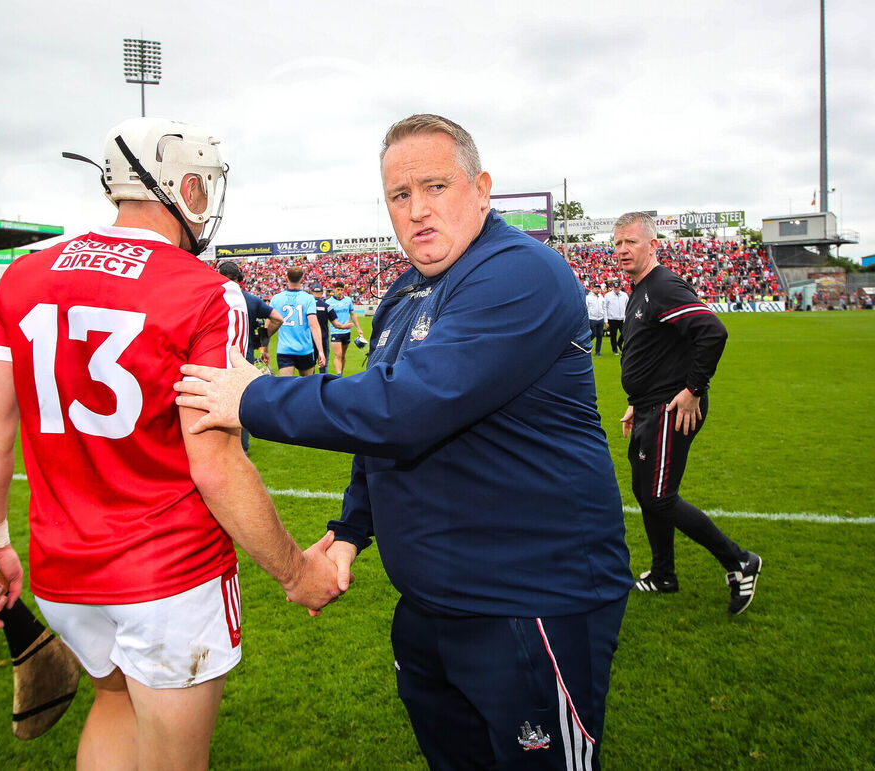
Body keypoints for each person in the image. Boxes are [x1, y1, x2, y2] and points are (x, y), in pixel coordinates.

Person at [176, 114, 632, 770]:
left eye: (436, 186)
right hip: (432, 604)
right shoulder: (405, 292)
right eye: (399, 194)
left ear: (482, 189)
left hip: (532, 603)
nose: (417, 210)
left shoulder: (519, 273)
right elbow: (381, 436)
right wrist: (352, 528)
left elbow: (406, 408)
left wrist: (251, 395)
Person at [0, 118, 339, 769]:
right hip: (169, 576)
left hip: (64, 569)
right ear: (184, 186)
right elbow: (215, 462)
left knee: (113, 705)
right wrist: (298, 571)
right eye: (205, 186)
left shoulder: (23, 277)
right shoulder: (206, 290)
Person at [612, 211, 762, 615]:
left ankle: (739, 561)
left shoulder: (662, 286)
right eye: (618, 243)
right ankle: (663, 575)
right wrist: (635, 401)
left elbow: (712, 331)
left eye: (631, 242)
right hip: (649, 406)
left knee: (660, 497)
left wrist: (695, 390)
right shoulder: (639, 289)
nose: (623, 250)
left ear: (652, 245)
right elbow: (658, 350)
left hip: (671, 408)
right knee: (646, 493)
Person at [216, 260, 283, 453]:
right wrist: (262, 339)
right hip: (244, 358)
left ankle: (221, 445)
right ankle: (242, 447)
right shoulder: (250, 300)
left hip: (217, 357)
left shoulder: (212, 298)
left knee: (217, 400)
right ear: (240, 279)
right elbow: (278, 318)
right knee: (241, 401)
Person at [268, 267, 325, 376]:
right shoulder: (308, 298)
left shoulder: (276, 298)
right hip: (304, 349)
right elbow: (314, 325)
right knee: (307, 387)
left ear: (286, 278)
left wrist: (264, 348)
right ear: (302, 279)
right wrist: (321, 351)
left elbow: (268, 325)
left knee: (285, 387)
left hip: (285, 350)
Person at [326, 281, 358, 375]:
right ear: (334, 290)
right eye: (338, 289)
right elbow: (326, 316)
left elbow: (352, 314)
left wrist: (358, 328)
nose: (340, 291)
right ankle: (339, 374)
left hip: (347, 331)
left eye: (341, 290)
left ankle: (341, 373)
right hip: (335, 331)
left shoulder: (348, 300)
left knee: (343, 355)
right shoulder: (329, 302)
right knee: (338, 354)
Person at [309, 282, 342, 374]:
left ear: (312, 292)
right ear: (321, 293)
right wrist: (346, 326)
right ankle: (322, 384)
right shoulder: (327, 306)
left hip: (309, 338)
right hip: (323, 338)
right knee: (323, 365)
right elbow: (336, 323)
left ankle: (309, 384)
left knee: (310, 365)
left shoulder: (306, 306)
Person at [604, 281, 628, 354]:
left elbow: (627, 306)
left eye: (617, 288)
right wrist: (606, 320)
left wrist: (627, 317)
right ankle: (614, 350)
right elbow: (605, 307)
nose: (616, 289)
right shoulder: (608, 295)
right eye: (615, 287)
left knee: (625, 333)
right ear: (612, 287)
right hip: (612, 318)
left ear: (620, 287)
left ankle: (619, 343)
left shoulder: (624, 295)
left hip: (622, 318)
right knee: (613, 335)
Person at [585, 284, 607, 356]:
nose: (597, 290)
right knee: (593, 334)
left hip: (600, 318)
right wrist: (587, 318)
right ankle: (585, 346)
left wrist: (605, 320)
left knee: (600, 335)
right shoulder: (588, 297)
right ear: (592, 289)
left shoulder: (601, 297)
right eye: (596, 288)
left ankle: (598, 351)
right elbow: (586, 308)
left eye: (598, 288)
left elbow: (604, 308)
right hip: (592, 318)